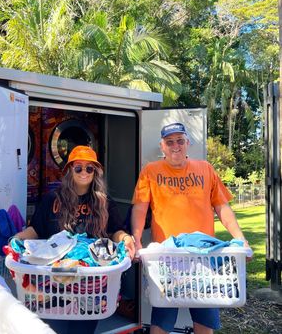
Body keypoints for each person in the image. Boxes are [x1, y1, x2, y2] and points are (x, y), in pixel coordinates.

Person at [130, 122, 250, 334]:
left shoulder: (205, 168)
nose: (175, 146)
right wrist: (137, 239)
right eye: (169, 142)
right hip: (167, 259)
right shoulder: (150, 171)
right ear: (162, 146)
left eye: (179, 141)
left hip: (205, 258)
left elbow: (222, 207)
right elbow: (140, 209)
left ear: (187, 143)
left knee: (205, 321)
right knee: (162, 321)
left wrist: (240, 239)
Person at [12, 145, 135, 334]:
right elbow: (36, 229)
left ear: (96, 172)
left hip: (90, 283)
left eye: (89, 168)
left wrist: (126, 238)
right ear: (69, 170)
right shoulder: (52, 199)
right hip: (54, 281)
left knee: (82, 330)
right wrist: (17, 239)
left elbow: (115, 231)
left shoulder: (104, 202)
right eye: (78, 167)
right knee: (55, 329)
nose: (84, 172)